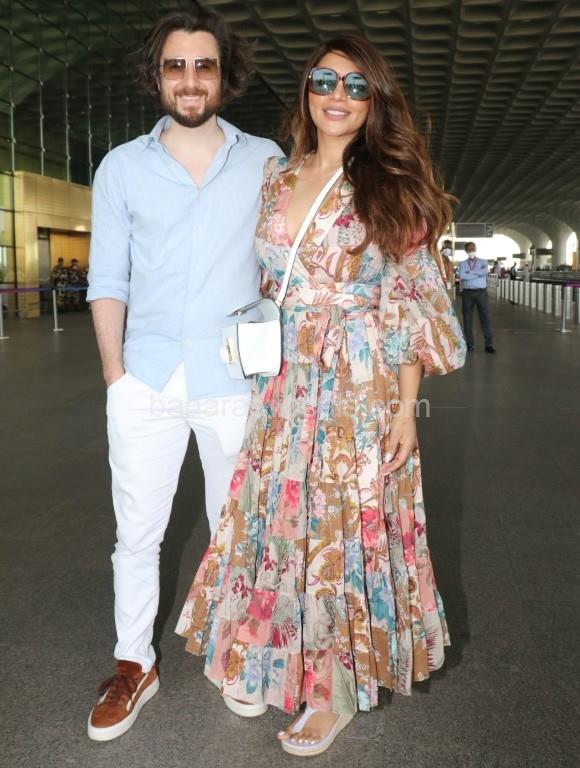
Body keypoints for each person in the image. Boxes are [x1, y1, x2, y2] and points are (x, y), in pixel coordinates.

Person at [176, 33, 466, 757]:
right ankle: (269, 655)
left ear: (375, 102)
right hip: (283, 379)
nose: (338, 96)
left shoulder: (390, 184)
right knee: (277, 515)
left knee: (341, 526)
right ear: (306, 90)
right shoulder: (279, 178)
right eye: (324, 81)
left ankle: (331, 689)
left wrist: (406, 411)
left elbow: (410, 304)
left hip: (357, 380)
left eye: (356, 85)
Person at [85, 9, 282, 742]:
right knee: (137, 534)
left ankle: (237, 656)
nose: (190, 80)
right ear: (157, 75)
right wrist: (116, 377)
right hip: (146, 377)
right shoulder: (122, 167)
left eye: (204, 65)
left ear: (226, 75)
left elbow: (283, 270)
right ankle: (133, 663)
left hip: (236, 380)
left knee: (238, 529)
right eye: (176, 65)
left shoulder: (267, 161)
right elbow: (108, 279)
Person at [458, 242, 495, 353]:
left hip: (481, 292)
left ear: (476, 248)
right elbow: (462, 276)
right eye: (469, 249)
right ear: (466, 251)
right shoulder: (462, 263)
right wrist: (477, 274)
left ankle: (489, 345)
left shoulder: (483, 262)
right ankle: (470, 345)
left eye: (473, 248)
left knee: (485, 318)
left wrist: (470, 272)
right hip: (467, 293)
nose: (471, 251)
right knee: (467, 319)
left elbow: (485, 272)